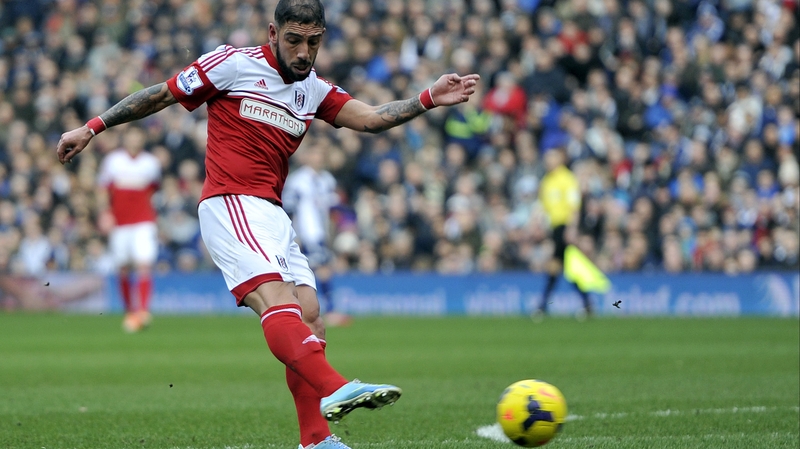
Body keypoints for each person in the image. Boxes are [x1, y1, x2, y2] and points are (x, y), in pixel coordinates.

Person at [55, 1, 480, 448]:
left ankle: (315, 440)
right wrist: (92, 127)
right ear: (273, 33)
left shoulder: (313, 90)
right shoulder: (233, 64)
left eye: (313, 42)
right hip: (230, 202)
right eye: (294, 40)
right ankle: (336, 387)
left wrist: (428, 98)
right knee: (278, 301)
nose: (303, 52)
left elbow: (371, 118)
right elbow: (160, 94)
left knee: (310, 316)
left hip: (273, 213)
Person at [97, 125, 161, 333]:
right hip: (120, 223)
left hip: (144, 221)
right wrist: (105, 213)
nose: (134, 141)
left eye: (137, 137)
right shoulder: (113, 161)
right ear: (125, 139)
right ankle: (130, 311)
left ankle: (143, 310)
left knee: (144, 264)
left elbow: (154, 192)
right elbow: (103, 189)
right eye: (131, 137)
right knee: (123, 267)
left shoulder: (151, 163)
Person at [283, 142, 351, 327]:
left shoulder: (327, 180)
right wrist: (293, 235)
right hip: (306, 233)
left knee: (316, 271)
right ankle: (329, 311)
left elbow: (333, 209)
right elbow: (289, 209)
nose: (318, 158)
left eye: (321, 154)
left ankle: (303, 311)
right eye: (314, 154)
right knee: (321, 270)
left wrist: (340, 229)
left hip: (322, 234)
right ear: (307, 157)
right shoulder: (298, 180)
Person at [534, 147, 593, 321]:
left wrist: (572, 228)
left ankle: (543, 305)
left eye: (551, 158)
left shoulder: (567, 179)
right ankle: (586, 304)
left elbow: (574, 206)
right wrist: (537, 223)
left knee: (558, 266)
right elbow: (543, 206)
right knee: (566, 267)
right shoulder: (547, 180)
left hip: (565, 227)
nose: (548, 162)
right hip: (555, 228)